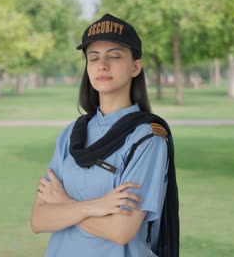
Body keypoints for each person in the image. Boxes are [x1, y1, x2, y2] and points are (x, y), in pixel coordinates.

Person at [30, 13, 179, 257]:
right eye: (94, 57)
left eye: (115, 56)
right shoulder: (71, 134)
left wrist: (65, 204)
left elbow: (121, 231)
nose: (102, 65)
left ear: (135, 67)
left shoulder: (148, 138)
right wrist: (97, 206)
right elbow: (38, 219)